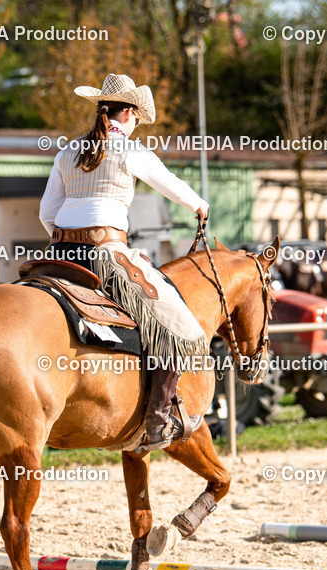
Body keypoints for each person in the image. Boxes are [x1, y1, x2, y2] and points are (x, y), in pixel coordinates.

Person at [38, 73, 210, 451]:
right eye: (137, 118)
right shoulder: (131, 152)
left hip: (57, 255)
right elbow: (170, 185)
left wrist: (67, 238)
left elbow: (47, 213)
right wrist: (199, 204)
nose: (137, 124)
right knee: (175, 323)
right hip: (107, 255)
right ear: (129, 112)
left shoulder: (67, 152)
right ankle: (158, 417)